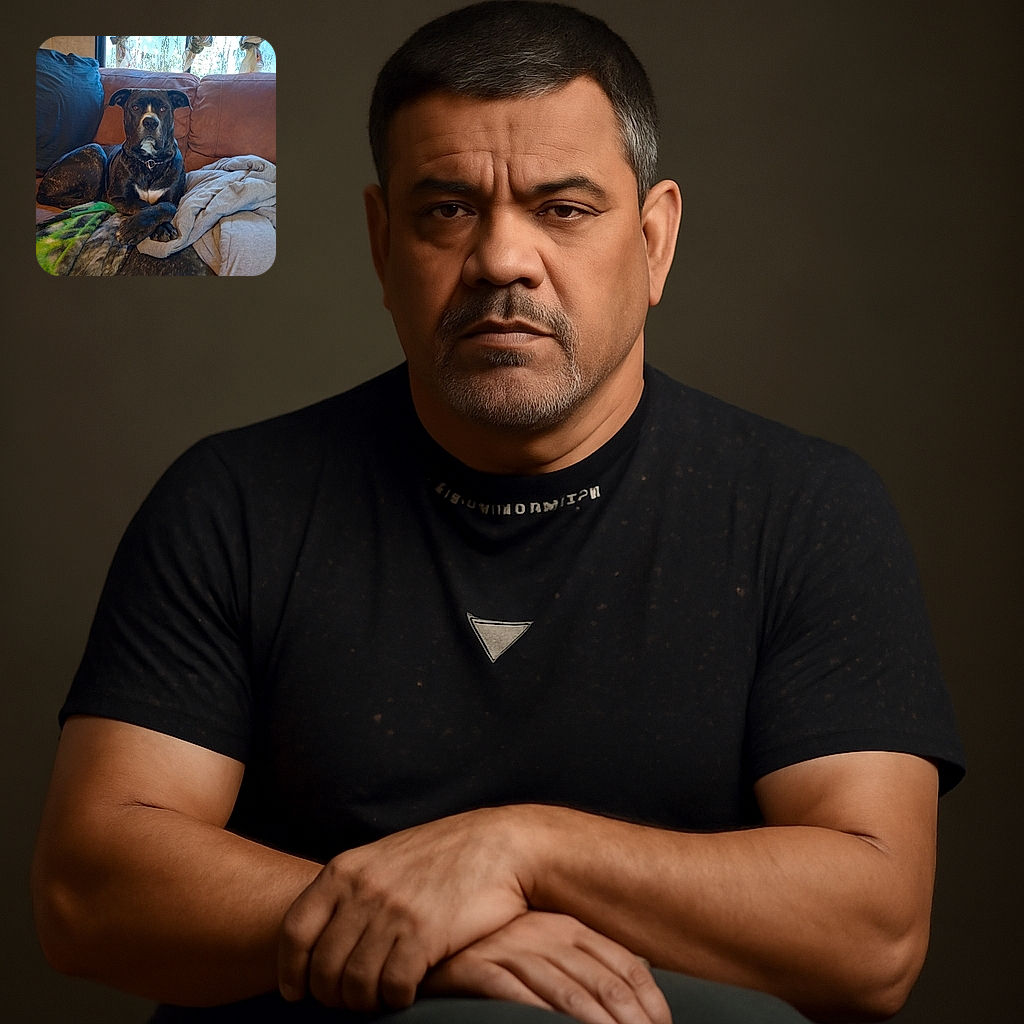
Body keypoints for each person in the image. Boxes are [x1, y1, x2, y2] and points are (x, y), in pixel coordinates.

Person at [32, 3, 965, 1023]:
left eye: (562, 208)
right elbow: (89, 891)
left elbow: (872, 937)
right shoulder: (233, 504)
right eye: (445, 210)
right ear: (382, 243)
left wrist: (516, 849)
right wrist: (428, 927)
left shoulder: (805, 510)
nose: (500, 260)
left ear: (653, 241)